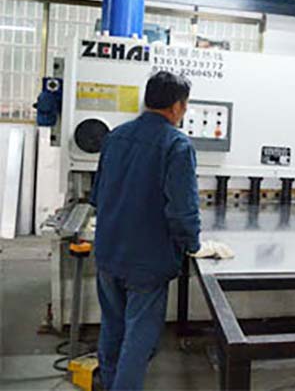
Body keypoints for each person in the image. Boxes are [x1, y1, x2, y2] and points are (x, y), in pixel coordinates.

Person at [90, 71, 200, 390]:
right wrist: (193, 244)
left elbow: (97, 196)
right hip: (147, 262)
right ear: (177, 106)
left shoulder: (115, 137)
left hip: (108, 252)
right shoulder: (177, 145)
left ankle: (109, 384)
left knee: (112, 327)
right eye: (185, 105)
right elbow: (182, 210)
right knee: (139, 338)